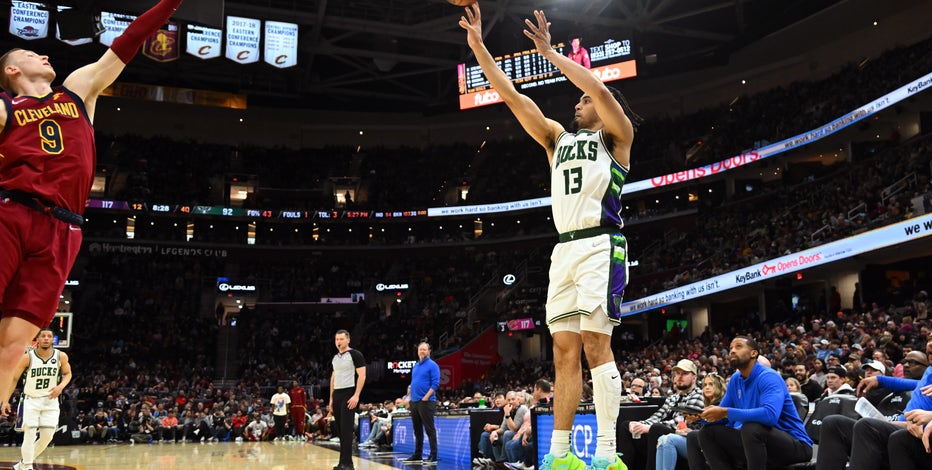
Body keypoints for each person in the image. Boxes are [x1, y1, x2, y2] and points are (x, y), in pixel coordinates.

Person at [459, 6, 642, 470]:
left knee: (596, 344)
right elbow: (513, 97)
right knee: (563, 351)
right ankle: (561, 456)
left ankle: (606, 455)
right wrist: (479, 48)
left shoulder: (617, 138)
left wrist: (549, 54)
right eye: (576, 101)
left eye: (581, 102)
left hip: (603, 244)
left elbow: (598, 88)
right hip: (564, 250)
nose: (576, 104)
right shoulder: (556, 139)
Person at [0, 0, 183, 417]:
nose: (43, 54)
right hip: (12, 213)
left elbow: (129, 40)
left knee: (14, 345)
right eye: (31, 53)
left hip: (64, 229)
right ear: (12, 71)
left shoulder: (78, 89)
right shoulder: (6, 107)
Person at [695, 336, 812, 469]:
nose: (732, 351)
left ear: (754, 353)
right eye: (731, 348)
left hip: (796, 445)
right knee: (707, 432)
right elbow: (721, 415)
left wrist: (725, 412)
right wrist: (700, 417)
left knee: (752, 427)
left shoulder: (769, 376)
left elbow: (769, 415)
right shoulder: (735, 379)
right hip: (756, 441)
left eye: (738, 346)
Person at [10, 328, 70, 470]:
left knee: (47, 437)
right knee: (29, 434)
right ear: (37, 339)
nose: (46, 338)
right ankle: (28, 467)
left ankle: (22, 465)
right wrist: (6, 400)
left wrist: (60, 387)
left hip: (50, 400)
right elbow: (13, 378)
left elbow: (68, 374)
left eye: (49, 336)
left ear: (53, 339)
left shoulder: (61, 356)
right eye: (43, 336)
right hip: (31, 400)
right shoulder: (28, 357)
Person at [655, 372, 726, 470]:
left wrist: (690, 432)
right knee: (662, 439)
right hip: (697, 441)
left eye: (711, 384)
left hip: (712, 446)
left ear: (719, 386)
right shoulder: (704, 404)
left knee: (668, 440)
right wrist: (686, 431)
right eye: (705, 385)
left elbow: (712, 430)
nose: (707, 387)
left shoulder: (721, 405)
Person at [330, 329, 366, 470]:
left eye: (341, 339)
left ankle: (348, 464)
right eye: (337, 339)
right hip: (337, 395)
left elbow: (362, 376)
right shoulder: (335, 357)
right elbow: (333, 378)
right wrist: (331, 400)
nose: (339, 342)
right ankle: (342, 463)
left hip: (348, 393)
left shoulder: (355, 354)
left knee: (346, 430)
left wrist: (356, 395)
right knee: (340, 430)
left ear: (348, 340)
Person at [404, 342, 440, 465]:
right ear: (417, 351)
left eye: (424, 349)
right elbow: (414, 383)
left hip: (426, 401)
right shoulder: (416, 366)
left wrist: (425, 397)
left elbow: (435, 384)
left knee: (429, 429)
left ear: (429, 351)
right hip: (414, 402)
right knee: (417, 430)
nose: (422, 351)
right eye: (420, 349)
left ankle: (433, 455)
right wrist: (410, 398)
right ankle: (418, 454)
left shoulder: (433, 365)